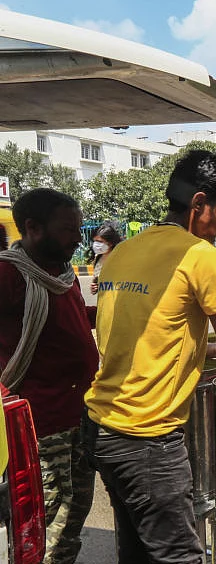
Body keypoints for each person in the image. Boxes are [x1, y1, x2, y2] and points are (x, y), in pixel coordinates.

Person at [83, 149, 216, 563]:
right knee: (179, 555)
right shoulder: (199, 254)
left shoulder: (125, 250)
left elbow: (153, 334)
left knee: (138, 550)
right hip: (146, 437)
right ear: (199, 203)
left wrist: (203, 352)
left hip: (101, 426)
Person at [0, 188, 96, 564]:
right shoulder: (9, 274)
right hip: (38, 426)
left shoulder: (61, 273)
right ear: (33, 228)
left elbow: (69, 321)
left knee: (71, 520)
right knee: (40, 528)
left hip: (79, 416)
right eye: (67, 229)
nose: (77, 237)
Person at [88, 221, 123, 295]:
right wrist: (94, 287)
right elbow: (96, 280)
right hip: (103, 300)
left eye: (100, 241)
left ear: (110, 243)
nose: (96, 244)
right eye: (95, 241)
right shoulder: (98, 257)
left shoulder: (119, 258)